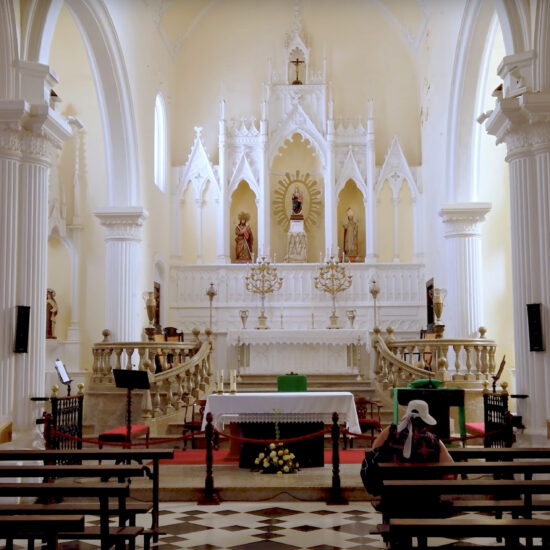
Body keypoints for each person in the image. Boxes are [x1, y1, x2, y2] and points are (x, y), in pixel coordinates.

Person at [372, 399, 455, 517]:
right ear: (425, 420)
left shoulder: (390, 432)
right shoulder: (434, 441)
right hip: (426, 500)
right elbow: (450, 470)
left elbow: (374, 449)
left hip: (393, 498)